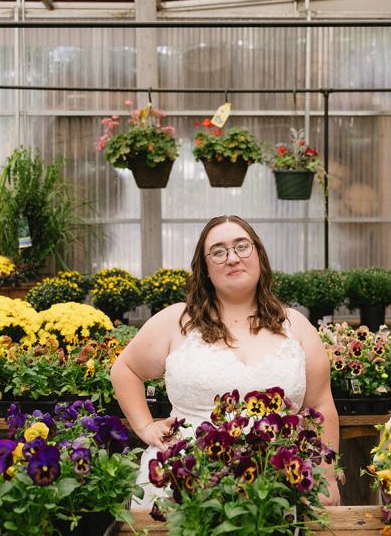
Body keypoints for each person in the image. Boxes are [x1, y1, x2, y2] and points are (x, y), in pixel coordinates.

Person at [111, 214, 341, 507]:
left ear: (258, 255)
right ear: (205, 268)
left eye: (242, 246)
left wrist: (328, 477)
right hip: (186, 484)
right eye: (218, 251)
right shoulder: (177, 321)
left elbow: (320, 405)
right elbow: (125, 369)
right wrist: (145, 427)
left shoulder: (296, 326)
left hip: (277, 486)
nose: (232, 258)